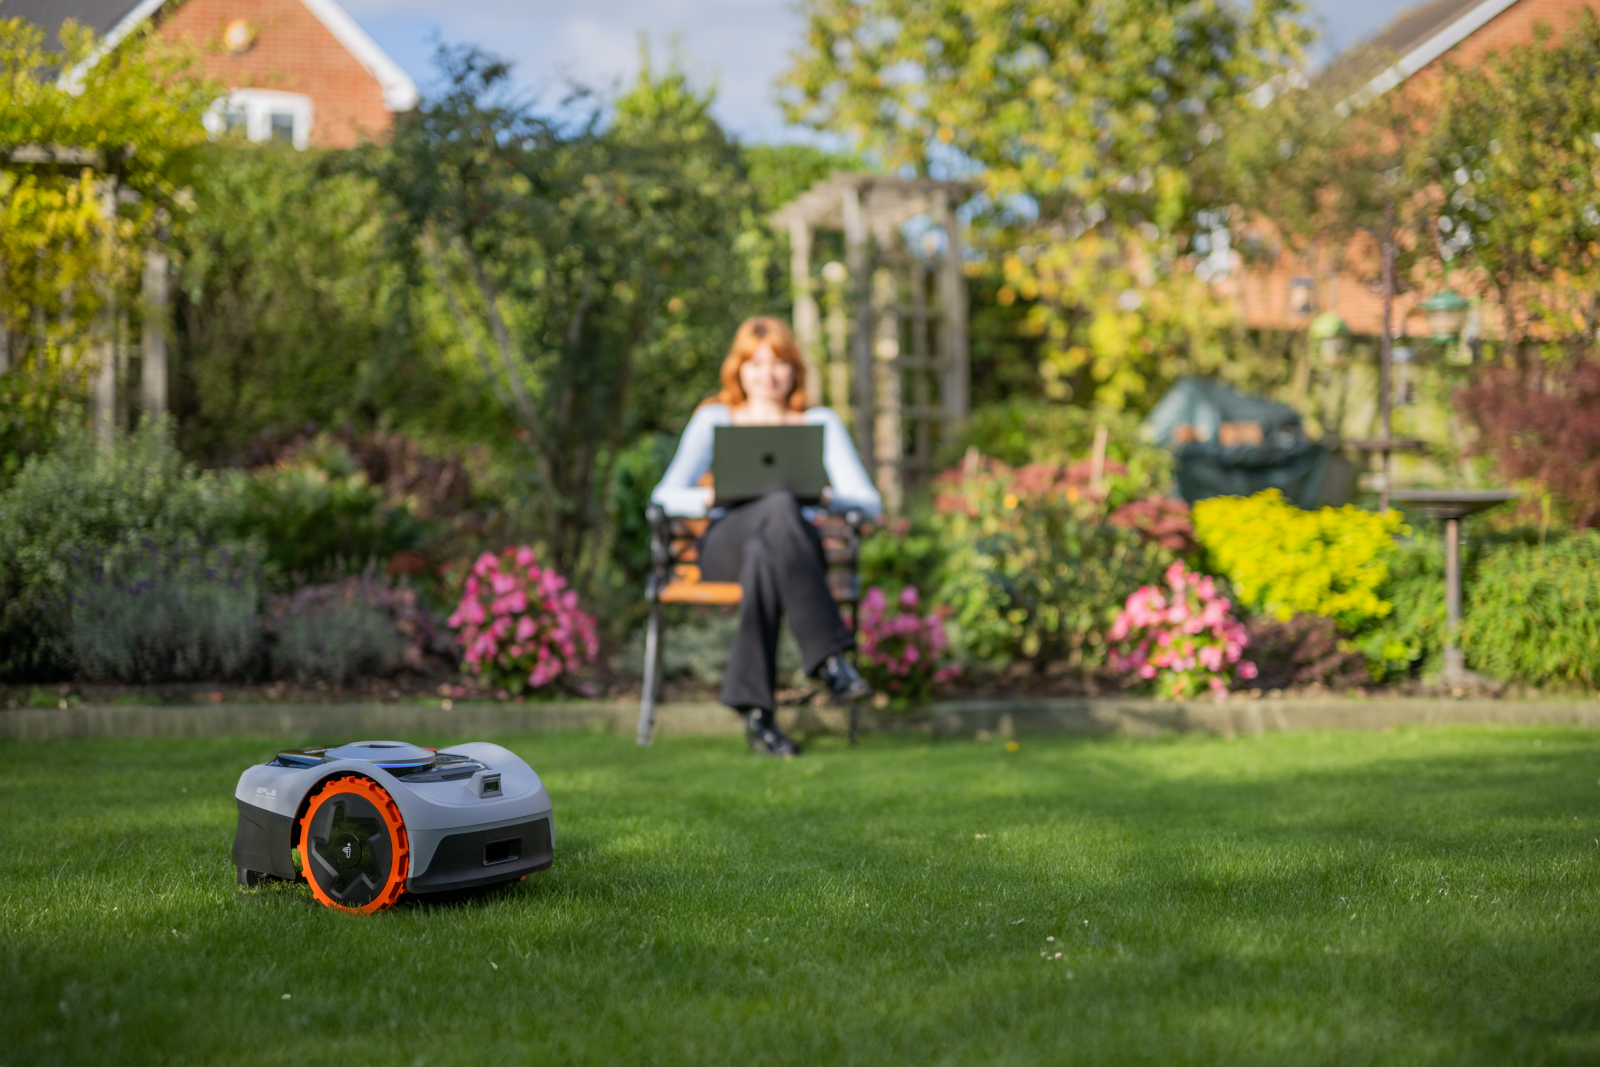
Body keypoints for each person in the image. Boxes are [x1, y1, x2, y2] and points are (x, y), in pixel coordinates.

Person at [651, 316, 880, 755]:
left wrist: (825, 497)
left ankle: (758, 715)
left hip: (789, 546)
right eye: (755, 362)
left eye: (778, 362)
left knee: (769, 542)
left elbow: (869, 501)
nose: (767, 373)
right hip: (725, 544)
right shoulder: (715, 418)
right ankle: (831, 660)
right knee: (776, 504)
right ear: (738, 369)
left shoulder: (820, 422)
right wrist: (714, 496)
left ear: (794, 369)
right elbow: (664, 496)